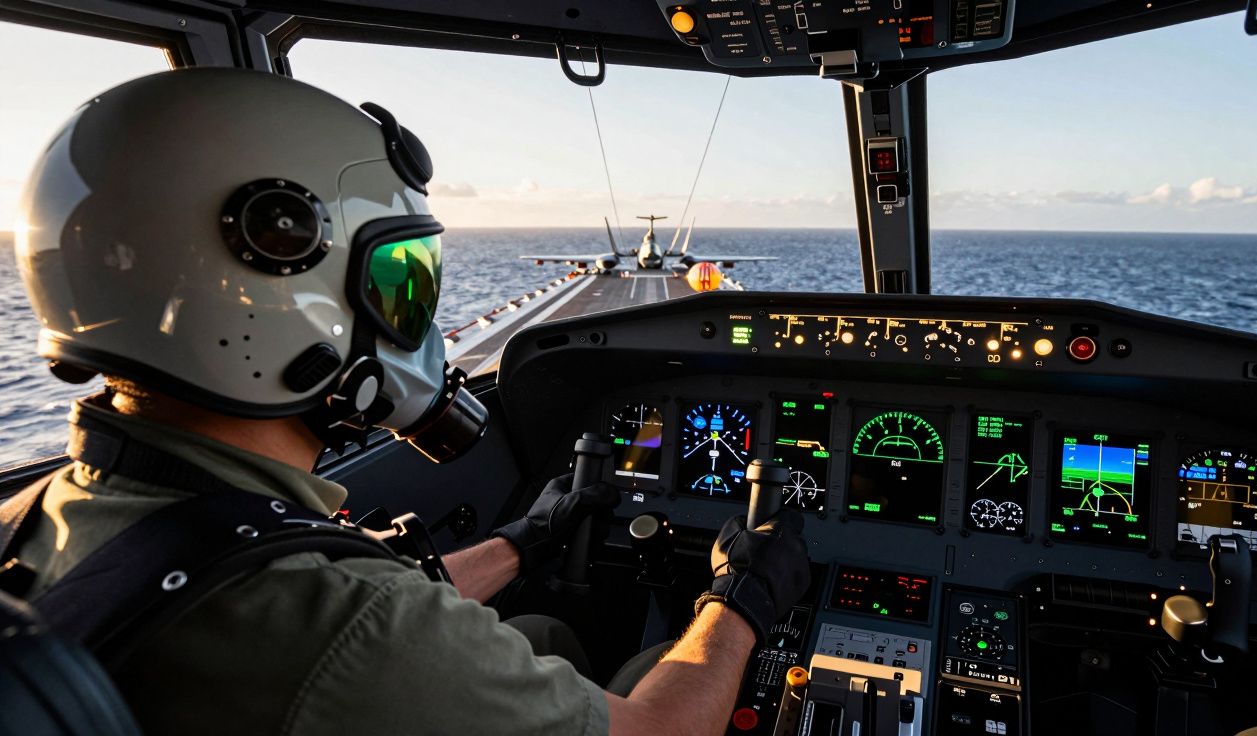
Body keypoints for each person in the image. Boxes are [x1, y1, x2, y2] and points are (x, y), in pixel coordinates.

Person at [4, 67, 811, 735]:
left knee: (540, 633)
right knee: (658, 666)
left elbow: (360, 608)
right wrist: (741, 599)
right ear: (282, 302)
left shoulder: (33, 518)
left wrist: (524, 541)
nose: (416, 321)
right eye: (399, 282)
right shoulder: (335, 621)